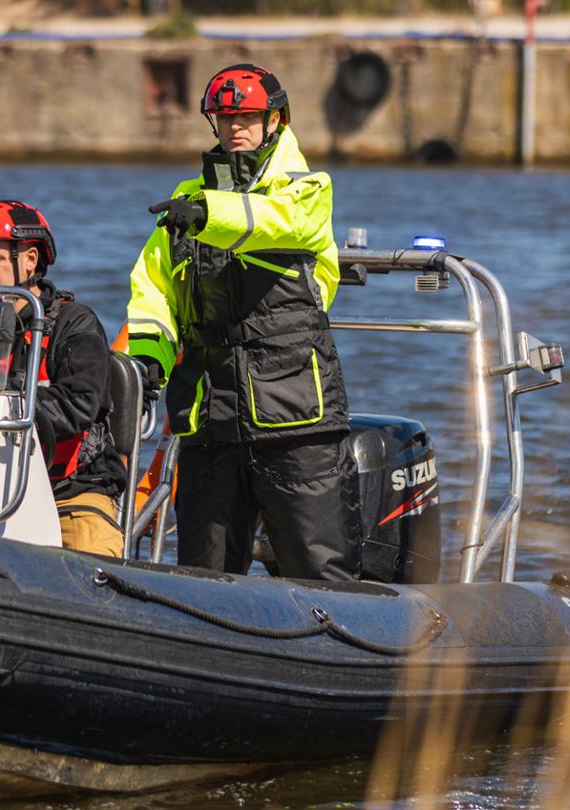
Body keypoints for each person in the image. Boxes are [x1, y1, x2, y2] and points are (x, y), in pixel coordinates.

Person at [123, 64, 358, 581]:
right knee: (203, 575)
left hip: (294, 412)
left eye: (248, 116)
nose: (235, 127)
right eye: (224, 117)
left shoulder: (307, 188)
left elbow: (281, 223)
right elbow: (154, 291)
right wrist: (147, 359)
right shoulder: (187, 201)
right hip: (208, 415)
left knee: (318, 569)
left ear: (276, 119)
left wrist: (208, 213)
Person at [0, 200, 127, 556]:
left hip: (69, 493)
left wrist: (0, 394)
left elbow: (79, 405)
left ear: (30, 260)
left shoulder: (74, 324)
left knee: (90, 550)